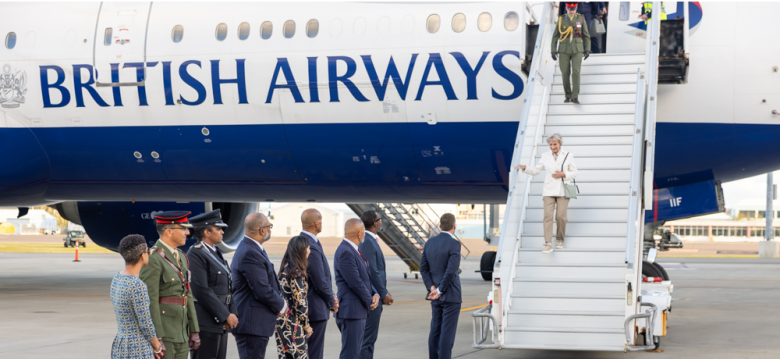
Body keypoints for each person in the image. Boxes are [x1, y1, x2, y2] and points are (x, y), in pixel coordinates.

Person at [140, 211, 201, 359]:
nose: (187, 232)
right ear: (169, 231)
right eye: (183, 228)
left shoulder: (181, 256)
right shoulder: (153, 259)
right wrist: (157, 337)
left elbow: (187, 295)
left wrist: (194, 330)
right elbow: (149, 301)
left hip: (182, 333)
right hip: (165, 334)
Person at [231, 213, 287, 359]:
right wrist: (282, 305)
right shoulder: (250, 253)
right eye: (269, 226)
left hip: (254, 324)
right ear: (262, 230)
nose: (270, 230)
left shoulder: (251, 248)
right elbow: (262, 289)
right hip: (252, 325)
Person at [513, 133, 579, 253]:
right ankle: (548, 243)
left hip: (563, 189)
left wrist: (563, 174)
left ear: (560, 144)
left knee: (561, 216)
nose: (553, 147)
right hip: (548, 190)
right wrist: (525, 168)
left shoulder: (568, 155)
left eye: (555, 144)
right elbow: (536, 171)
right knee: (547, 216)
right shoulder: (545, 156)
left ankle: (560, 239)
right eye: (550, 144)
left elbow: (574, 172)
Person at [187, 209, 238, 359]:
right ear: (206, 232)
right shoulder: (196, 253)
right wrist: (225, 315)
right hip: (207, 322)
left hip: (221, 322)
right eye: (218, 228)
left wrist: (232, 312)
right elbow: (201, 290)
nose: (222, 232)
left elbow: (229, 287)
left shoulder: (215, 252)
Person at [111, 234, 164, 359]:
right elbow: (145, 322)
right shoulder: (137, 285)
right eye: (148, 251)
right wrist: (157, 345)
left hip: (120, 343)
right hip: (138, 347)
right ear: (142, 256)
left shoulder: (117, 278)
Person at [333, 219, 379, 359]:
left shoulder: (353, 249)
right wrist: (369, 300)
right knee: (351, 354)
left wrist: (375, 293)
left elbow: (363, 278)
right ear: (359, 233)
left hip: (355, 310)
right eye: (364, 231)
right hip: (351, 311)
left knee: (355, 352)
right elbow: (355, 282)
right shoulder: (346, 252)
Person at [420, 213, 462, 359]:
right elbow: (451, 271)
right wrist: (440, 290)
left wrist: (432, 287)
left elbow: (423, 269)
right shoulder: (455, 244)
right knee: (447, 335)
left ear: (440, 226)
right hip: (450, 295)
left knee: (435, 332)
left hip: (435, 296)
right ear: (454, 227)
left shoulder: (430, 243)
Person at [299, 209, 338, 359]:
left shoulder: (303, 241)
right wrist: (332, 300)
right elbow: (319, 280)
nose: (321, 224)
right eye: (321, 221)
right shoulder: (311, 245)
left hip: (310, 307)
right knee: (315, 352)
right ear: (316, 223)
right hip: (315, 308)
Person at [358, 211, 392, 359]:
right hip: (372, 298)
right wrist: (383, 294)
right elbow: (372, 270)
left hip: (374, 295)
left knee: (369, 340)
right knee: (367, 341)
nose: (381, 222)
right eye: (380, 219)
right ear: (375, 223)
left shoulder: (370, 240)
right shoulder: (367, 241)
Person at [275, 236, 313, 359]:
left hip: (282, 322)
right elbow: (300, 302)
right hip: (292, 323)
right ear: (302, 250)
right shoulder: (296, 273)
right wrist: (306, 326)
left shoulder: (285, 268)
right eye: (308, 248)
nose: (309, 251)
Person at [552, 2, 591, 104]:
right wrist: (553, 50)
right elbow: (555, 35)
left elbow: (586, 35)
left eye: (573, 9)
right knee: (565, 73)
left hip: (577, 49)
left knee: (576, 72)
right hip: (564, 49)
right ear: (566, 8)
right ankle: (567, 95)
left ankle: (575, 97)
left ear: (576, 8)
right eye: (570, 9)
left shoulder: (580, 18)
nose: (571, 11)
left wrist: (587, 49)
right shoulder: (561, 19)